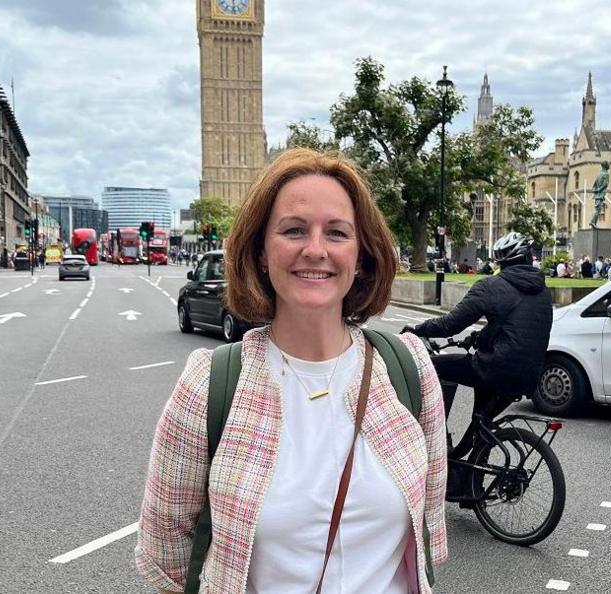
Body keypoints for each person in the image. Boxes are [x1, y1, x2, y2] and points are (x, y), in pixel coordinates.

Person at [135, 148, 448, 594]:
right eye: (294, 230)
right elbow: (167, 557)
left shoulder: (409, 370)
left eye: (337, 233)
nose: (315, 249)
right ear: (262, 251)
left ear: (361, 256)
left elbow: (428, 530)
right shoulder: (209, 386)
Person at [403, 232, 553, 422]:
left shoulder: (491, 286)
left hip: (496, 369)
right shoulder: (543, 291)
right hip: (530, 375)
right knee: (481, 424)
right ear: (527, 258)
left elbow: (450, 325)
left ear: (501, 263)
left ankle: (439, 432)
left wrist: (418, 329)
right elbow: (510, 328)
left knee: (433, 366)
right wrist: (476, 338)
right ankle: (480, 443)